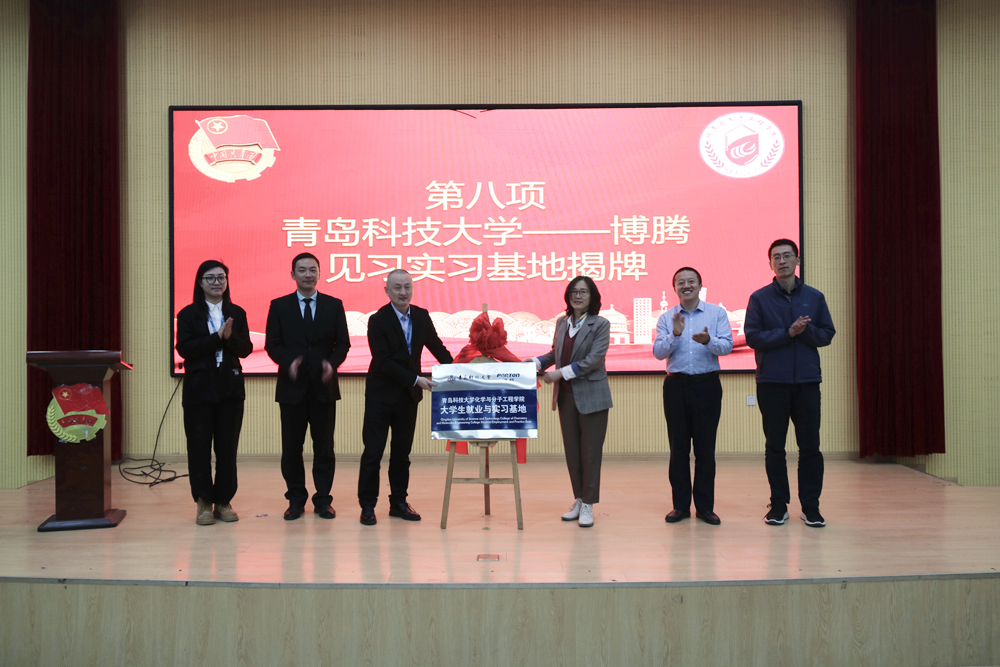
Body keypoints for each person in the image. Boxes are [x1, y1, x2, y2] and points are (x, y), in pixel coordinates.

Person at [745, 239, 835, 527]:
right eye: (776, 257)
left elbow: (827, 334)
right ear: (770, 263)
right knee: (775, 447)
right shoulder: (759, 298)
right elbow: (753, 337)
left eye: (787, 256)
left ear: (798, 260)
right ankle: (778, 505)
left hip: (807, 382)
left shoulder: (814, 297)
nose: (782, 261)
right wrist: (789, 332)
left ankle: (810, 506)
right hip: (772, 382)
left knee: (810, 446)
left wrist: (803, 332)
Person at [358, 269, 453, 525]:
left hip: (407, 397)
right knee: (373, 453)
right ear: (387, 291)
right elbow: (383, 361)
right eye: (397, 287)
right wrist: (416, 379)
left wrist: (457, 372)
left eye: (407, 287)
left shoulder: (421, 316)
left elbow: (437, 347)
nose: (403, 292)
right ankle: (367, 505)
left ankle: (398, 502)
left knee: (402, 454)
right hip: (380, 396)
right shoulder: (378, 320)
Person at [265, 252, 351, 521]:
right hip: (291, 388)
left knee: (324, 448)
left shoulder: (333, 305)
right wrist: (288, 362)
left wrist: (331, 364)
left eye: (312, 269)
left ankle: (323, 500)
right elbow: (272, 344)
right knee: (292, 449)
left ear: (320, 273)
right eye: (301, 270)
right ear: (293, 274)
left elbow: (343, 343)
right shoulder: (279, 306)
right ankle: (295, 499)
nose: (308, 275)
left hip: (324, 388)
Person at [653, 267, 733, 526]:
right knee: (678, 449)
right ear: (674, 288)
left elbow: (727, 346)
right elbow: (658, 353)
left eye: (691, 281)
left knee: (705, 449)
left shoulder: (716, 313)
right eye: (681, 282)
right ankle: (680, 507)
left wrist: (709, 340)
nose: (686, 285)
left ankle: (705, 508)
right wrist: (675, 334)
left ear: (700, 286)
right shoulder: (666, 317)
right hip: (675, 387)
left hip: (707, 385)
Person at [175, 260, 253, 525]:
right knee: (198, 448)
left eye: (221, 278)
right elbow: (185, 349)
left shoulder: (237, 312)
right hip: (199, 389)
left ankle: (224, 501)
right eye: (210, 278)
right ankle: (203, 503)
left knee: (227, 448)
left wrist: (229, 337)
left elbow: (246, 349)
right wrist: (217, 337)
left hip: (230, 388)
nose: (217, 282)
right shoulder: (188, 314)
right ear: (200, 282)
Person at [531, 276, 613, 528]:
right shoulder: (561, 322)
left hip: (592, 396)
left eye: (583, 292)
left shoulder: (600, 324)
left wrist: (560, 373)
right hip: (566, 396)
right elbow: (555, 353)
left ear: (592, 297)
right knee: (573, 452)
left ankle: (588, 504)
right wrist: (536, 362)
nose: (578, 296)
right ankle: (578, 498)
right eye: (574, 291)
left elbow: (594, 360)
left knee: (590, 452)